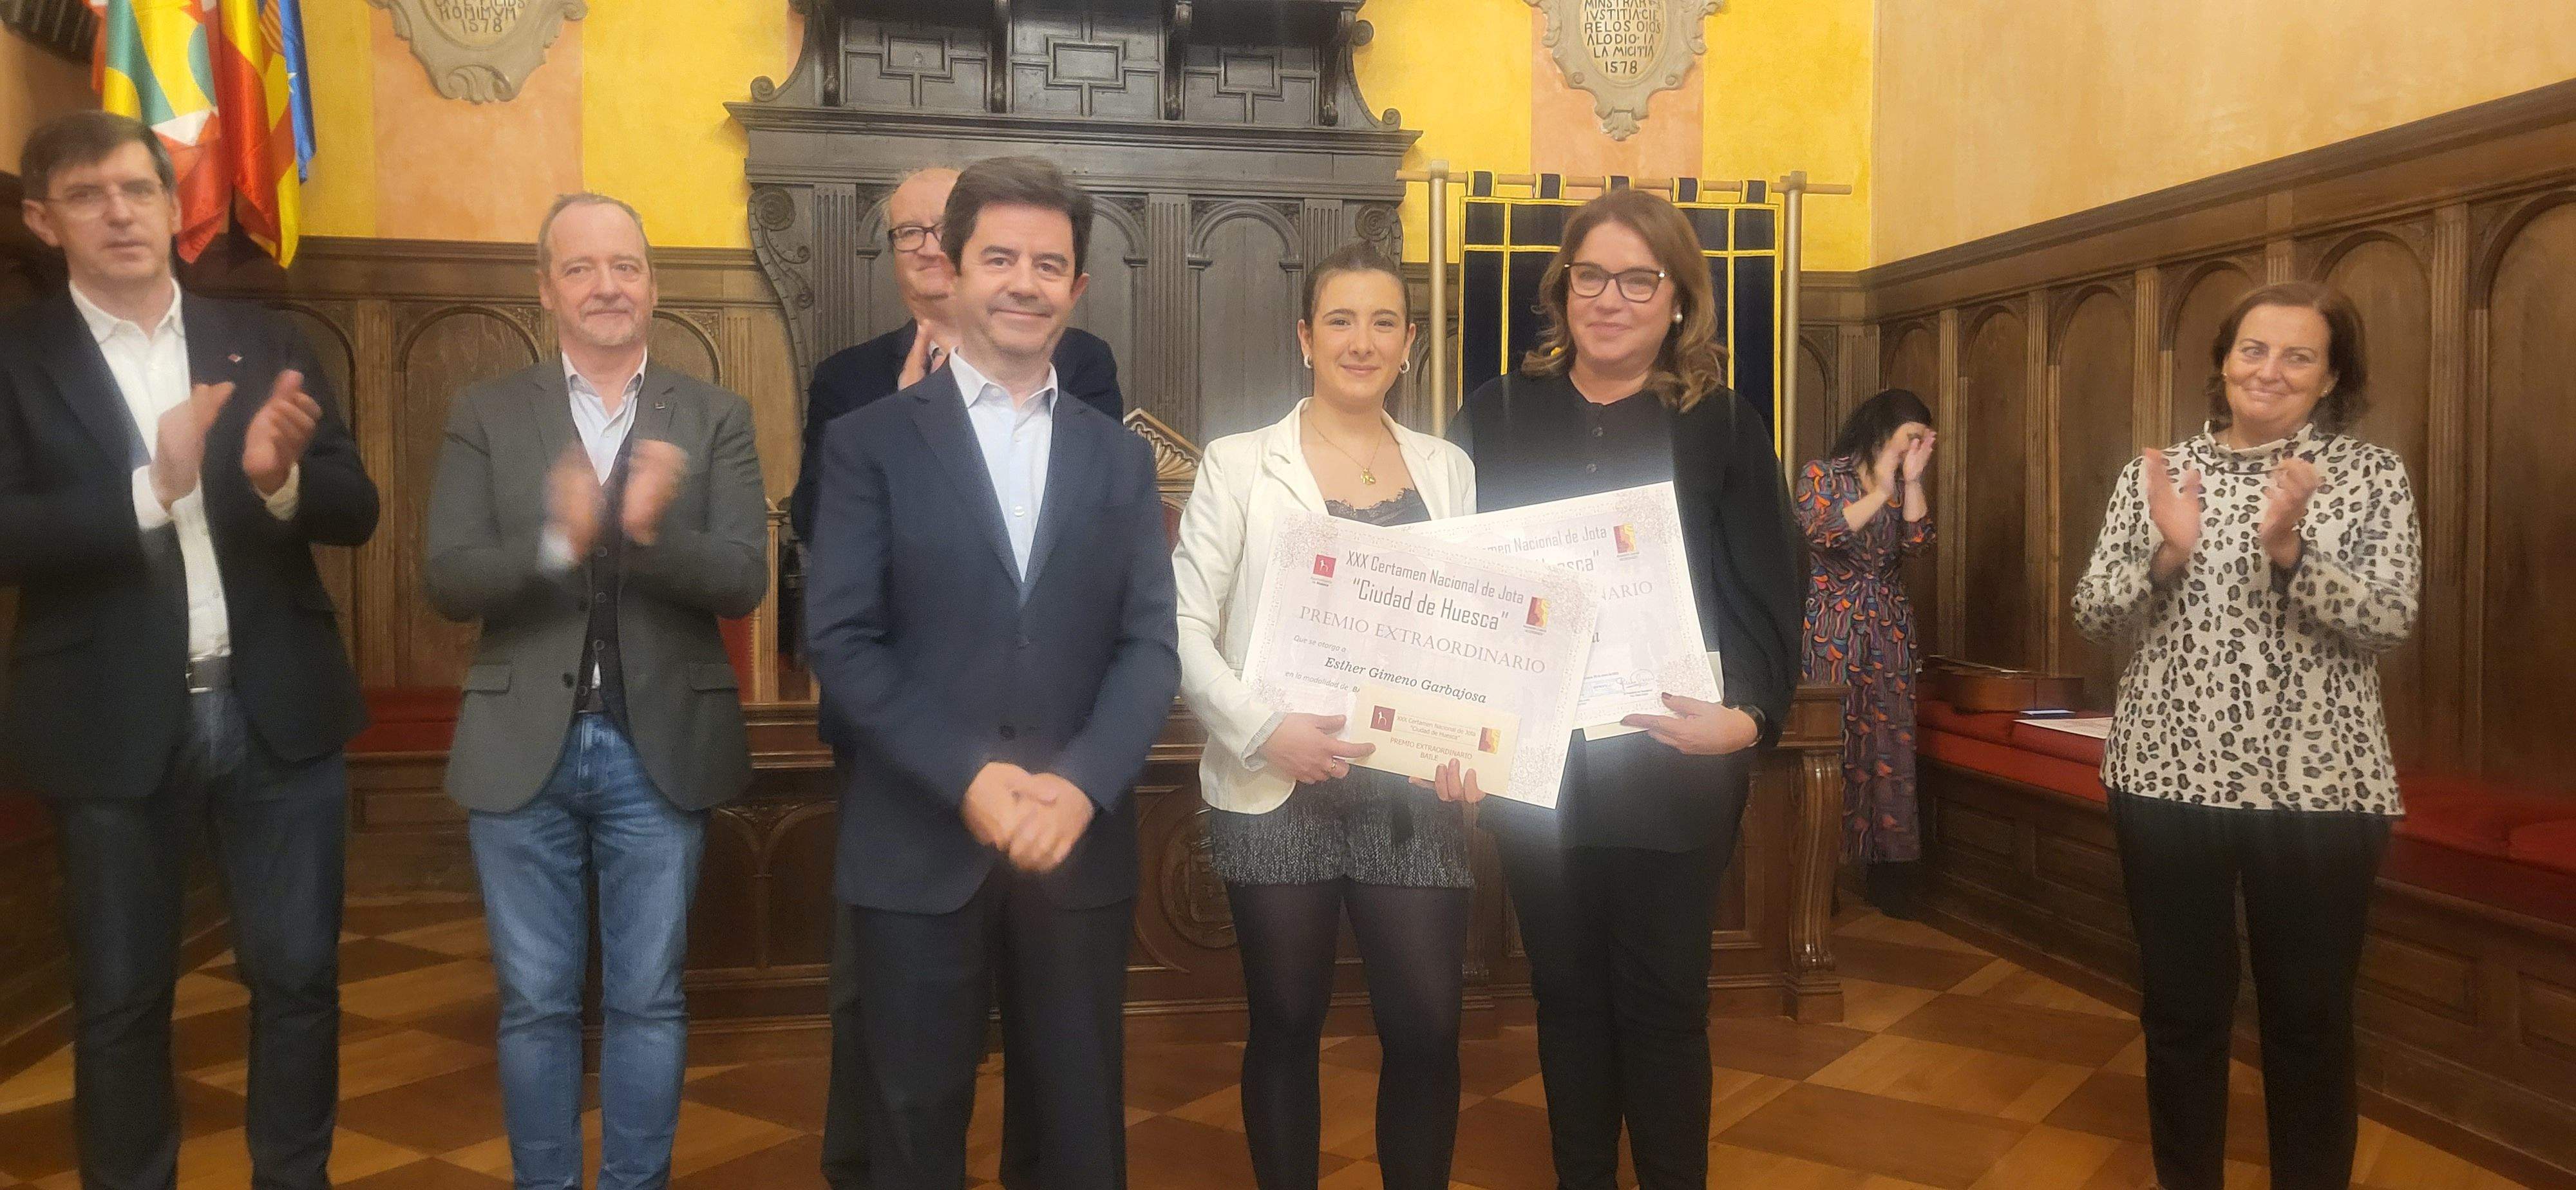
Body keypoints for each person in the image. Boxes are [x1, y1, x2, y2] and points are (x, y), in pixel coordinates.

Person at [0, 110, 379, 1190]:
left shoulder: (263, 339)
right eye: (87, 195)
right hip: (109, 719)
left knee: (300, 977)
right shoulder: (14, 356)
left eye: (137, 188)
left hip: (279, 710)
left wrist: (277, 478)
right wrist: (146, 490)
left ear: (176, 205)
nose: (119, 212)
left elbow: (355, 504)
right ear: (41, 218)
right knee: (122, 993)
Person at [803, 155, 1179, 1190]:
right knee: (912, 1126)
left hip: (1075, 843)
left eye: (1049, 264)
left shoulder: (1119, 458)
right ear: (951, 271)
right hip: (919, 840)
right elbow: (839, 640)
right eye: (1000, 257)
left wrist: (1081, 783)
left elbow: (1151, 644)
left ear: (1078, 289)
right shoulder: (867, 442)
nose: (1025, 282)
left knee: (1074, 1130)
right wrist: (968, 776)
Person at [1448, 188, 1803, 1190]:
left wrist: (1753, 718)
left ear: (1677, 300)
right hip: (1541, 768)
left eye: (1639, 279)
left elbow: (1774, 585)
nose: (1612, 299)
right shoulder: (1497, 416)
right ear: (1562, 292)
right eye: (1591, 277)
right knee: (1564, 997)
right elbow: (1456, 584)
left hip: (1670, 762)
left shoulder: (1723, 425)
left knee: (1662, 1005)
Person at [423, 192, 769, 1190]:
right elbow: (447, 578)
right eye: (580, 268)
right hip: (519, 742)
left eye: (624, 265)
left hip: (660, 746)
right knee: (533, 1002)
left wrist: (648, 532)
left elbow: (744, 576)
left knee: (648, 999)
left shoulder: (714, 414)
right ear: (545, 290)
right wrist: (557, 543)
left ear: (653, 283)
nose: (606, 285)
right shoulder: (488, 411)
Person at [2074, 280, 2419, 1190]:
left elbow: (2388, 620)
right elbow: (2095, 613)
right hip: (2165, 775)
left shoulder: (2370, 475)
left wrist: (2290, 552)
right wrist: (2169, 555)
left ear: (2331, 374)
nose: (2271, 371)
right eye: (2254, 350)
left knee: (2310, 1019)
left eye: (2299, 355)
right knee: (2183, 1013)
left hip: (2320, 790)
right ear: (2223, 361)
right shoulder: (2157, 473)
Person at [1170, 242, 1483, 1189]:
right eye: (1340, 321)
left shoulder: (1450, 469)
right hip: (1275, 782)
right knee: (1287, 1022)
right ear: (1306, 339)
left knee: (1428, 1024)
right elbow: (1179, 625)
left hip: (1415, 788)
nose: (1362, 340)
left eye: (1384, 321)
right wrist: (1267, 730)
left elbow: (1474, 630)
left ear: (1410, 341)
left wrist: (1478, 747)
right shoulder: (1237, 464)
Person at [1796, 388, 1936, 917]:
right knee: (1831, 745)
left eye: (1924, 443)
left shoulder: (1906, 485)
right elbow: (1821, 531)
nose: (1916, 450)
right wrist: (1880, 489)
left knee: (1891, 747)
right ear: (1881, 432)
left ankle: (1891, 878)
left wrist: (1912, 482)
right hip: (1831, 625)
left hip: (1890, 629)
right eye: (1910, 441)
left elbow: (1920, 545)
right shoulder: (1821, 475)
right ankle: (1818, 879)